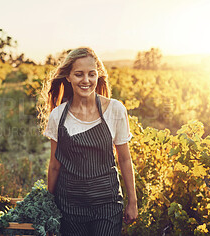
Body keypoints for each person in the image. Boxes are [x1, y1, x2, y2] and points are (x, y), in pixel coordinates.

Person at [38, 47, 138, 235]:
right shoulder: (58, 116)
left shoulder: (115, 110)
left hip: (106, 205)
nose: (86, 80)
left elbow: (124, 159)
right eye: (79, 74)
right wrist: (49, 203)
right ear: (68, 77)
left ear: (98, 76)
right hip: (70, 206)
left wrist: (132, 201)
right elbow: (54, 165)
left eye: (92, 74)